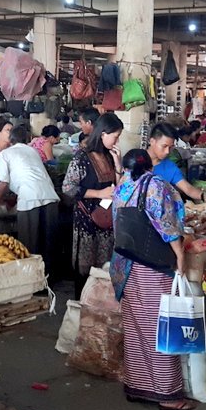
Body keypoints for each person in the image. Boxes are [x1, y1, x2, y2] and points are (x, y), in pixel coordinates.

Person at [109, 149, 194, 410]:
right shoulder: (156, 186)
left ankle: (137, 386)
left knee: (135, 328)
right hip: (151, 267)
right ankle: (168, 395)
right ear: (149, 166)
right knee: (159, 327)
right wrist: (180, 255)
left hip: (124, 265)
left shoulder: (122, 186)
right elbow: (167, 225)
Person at [63, 113, 124, 297]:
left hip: (106, 221)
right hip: (87, 222)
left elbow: (120, 187)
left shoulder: (109, 155)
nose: (117, 140)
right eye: (115, 136)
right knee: (85, 267)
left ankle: (99, 305)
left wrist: (117, 163)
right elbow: (68, 188)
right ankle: (81, 305)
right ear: (103, 134)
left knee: (104, 266)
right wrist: (99, 193)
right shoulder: (82, 158)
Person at [0, 126, 60, 268]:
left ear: (10, 140)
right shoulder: (32, 151)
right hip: (50, 196)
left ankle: (33, 280)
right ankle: (50, 280)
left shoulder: (5, 154)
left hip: (29, 198)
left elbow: (3, 183)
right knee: (49, 243)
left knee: (29, 246)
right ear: (28, 139)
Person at [147, 122, 206, 202]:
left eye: (171, 147)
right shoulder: (136, 160)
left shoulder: (170, 167)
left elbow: (188, 189)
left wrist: (202, 196)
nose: (167, 151)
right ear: (152, 141)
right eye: (164, 146)